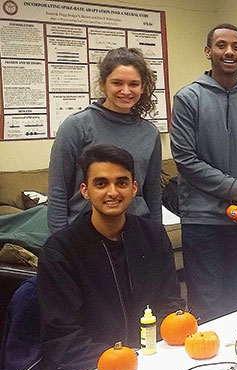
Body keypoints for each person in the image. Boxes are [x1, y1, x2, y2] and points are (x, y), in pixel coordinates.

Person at [39, 143, 184, 370]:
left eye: (122, 183)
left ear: (134, 188)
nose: (112, 192)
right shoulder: (61, 251)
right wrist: (126, 361)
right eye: (101, 183)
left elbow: (170, 303)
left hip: (150, 364)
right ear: (85, 190)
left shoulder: (152, 236)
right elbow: (63, 339)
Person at [170, 24, 237, 320]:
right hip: (203, 219)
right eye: (221, 45)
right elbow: (185, 159)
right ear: (208, 51)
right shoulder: (188, 99)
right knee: (205, 302)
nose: (229, 51)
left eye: (236, 47)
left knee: (236, 299)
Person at [48, 47, 161, 233]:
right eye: (117, 83)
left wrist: (156, 235)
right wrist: (59, 243)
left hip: (135, 232)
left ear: (142, 87)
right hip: (84, 233)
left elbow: (153, 194)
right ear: (102, 84)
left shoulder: (149, 133)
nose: (126, 91)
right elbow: (58, 192)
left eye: (133, 84)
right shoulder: (76, 126)